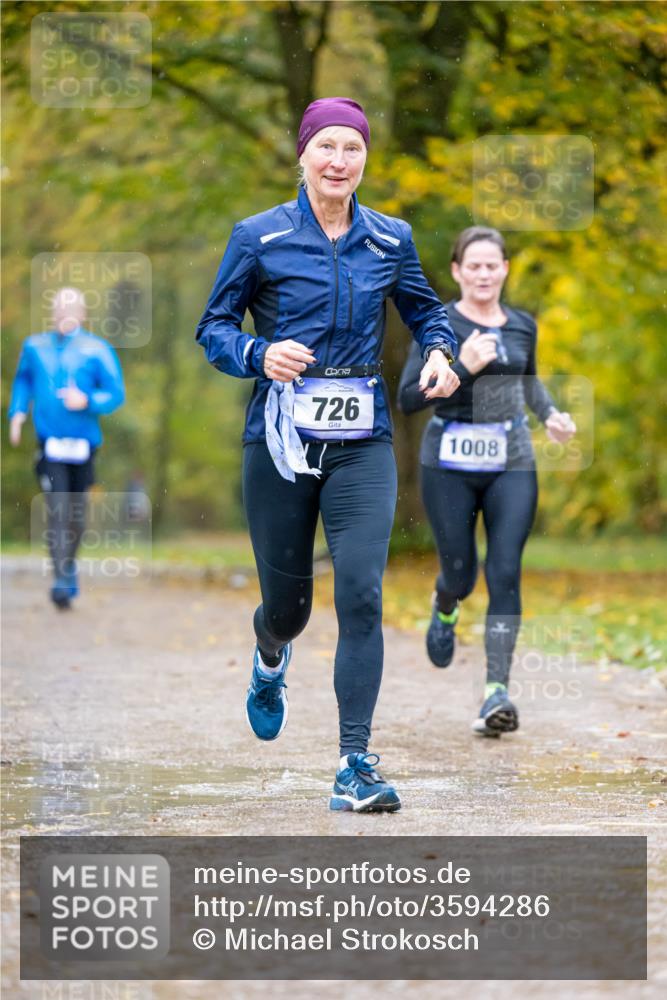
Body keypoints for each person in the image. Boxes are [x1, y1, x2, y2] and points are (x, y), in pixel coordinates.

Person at [196, 97, 459, 812]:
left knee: (363, 595)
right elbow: (213, 326)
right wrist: (257, 350)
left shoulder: (389, 238)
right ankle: (269, 654)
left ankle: (354, 763)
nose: (339, 161)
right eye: (326, 148)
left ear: (364, 160)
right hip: (280, 443)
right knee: (288, 608)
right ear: (303, 156)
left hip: (361, 439)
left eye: (352, 149)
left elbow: (428, 311)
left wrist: (440, 350)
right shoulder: (259, 237)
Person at [398, 226, 576, 736]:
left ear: (504, 270)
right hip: (448, 461)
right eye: (471, 265)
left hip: (511, 458)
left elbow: (528, 380)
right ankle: (446, 602)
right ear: (456, 271)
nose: (482, 273)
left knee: (504, 571)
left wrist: (552, 416)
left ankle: (496, 691)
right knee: (462, 573)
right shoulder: (439, 326)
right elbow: (410, 398)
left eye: (491, 265)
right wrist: (464, 366)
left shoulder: (522, 324)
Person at [8, 287, 125, 609]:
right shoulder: (35, 347)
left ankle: (68, 569)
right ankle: (61, 579)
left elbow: (116, 393)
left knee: (76, 517)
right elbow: (23, 381)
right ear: (52, 312)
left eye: (71, 309)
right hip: (50, 445)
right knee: (57, 511)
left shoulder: (97, 349)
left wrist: (87, 400)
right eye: (60, 308)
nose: (65, 314)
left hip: (84, 446)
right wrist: (17, 413)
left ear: (83, 313)